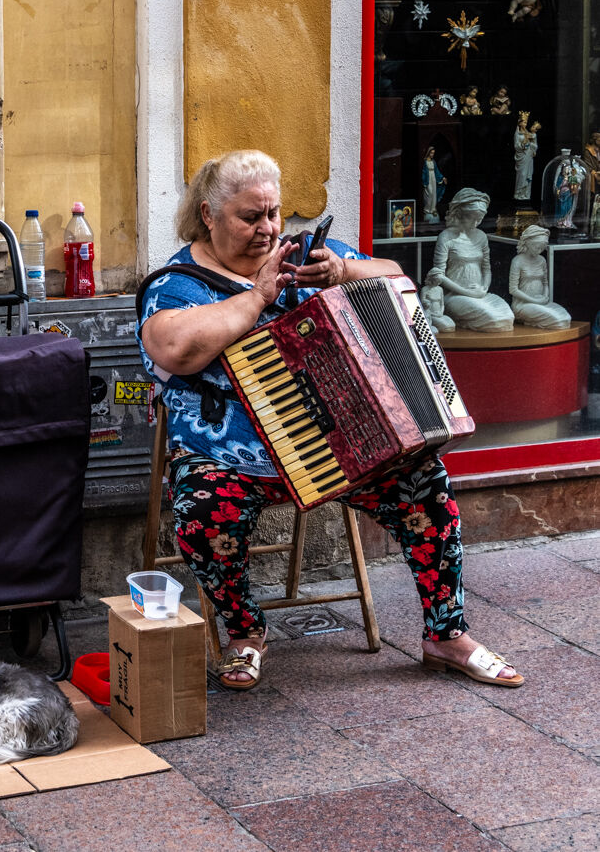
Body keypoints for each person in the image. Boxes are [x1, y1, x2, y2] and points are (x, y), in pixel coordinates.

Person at [137, 151, 523, 692]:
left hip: (345, 448)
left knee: (427, 487)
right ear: (209, 214)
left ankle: (446, 635)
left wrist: (343, 270)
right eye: (251, 217)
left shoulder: (309, 253)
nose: (268, 229)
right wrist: (258, 296)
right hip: (235, 457)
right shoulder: (178, 283)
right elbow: (175, 349)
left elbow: (396, 279)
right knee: (202, 512)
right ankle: (246, 632)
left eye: (273, 213)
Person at [429, 188, 514, 332]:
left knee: (507, 317)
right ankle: (461, 321)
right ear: (459, 214)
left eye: (479, 219)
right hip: (455, 296)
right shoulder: (446, 237)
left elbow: (486, 268)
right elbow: (438, 275)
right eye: (471, 217)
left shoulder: (481, 236)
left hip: (481, 294)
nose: (476, 223)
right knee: (494, 320)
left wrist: (483, 288)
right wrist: (467, 292)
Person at [509, 225, 570, 329]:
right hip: (523, 304)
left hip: (541, 301)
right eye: (537, 247)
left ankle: (532, 322)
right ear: (528, 243)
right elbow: (513, 290)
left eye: (542, 247)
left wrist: (545, 297)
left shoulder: (542, 260)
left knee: (565, 318)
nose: (539, 250)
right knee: (557, 320)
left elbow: (545, 283)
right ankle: (527, 320)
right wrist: (534, 300)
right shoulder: (517, 261)